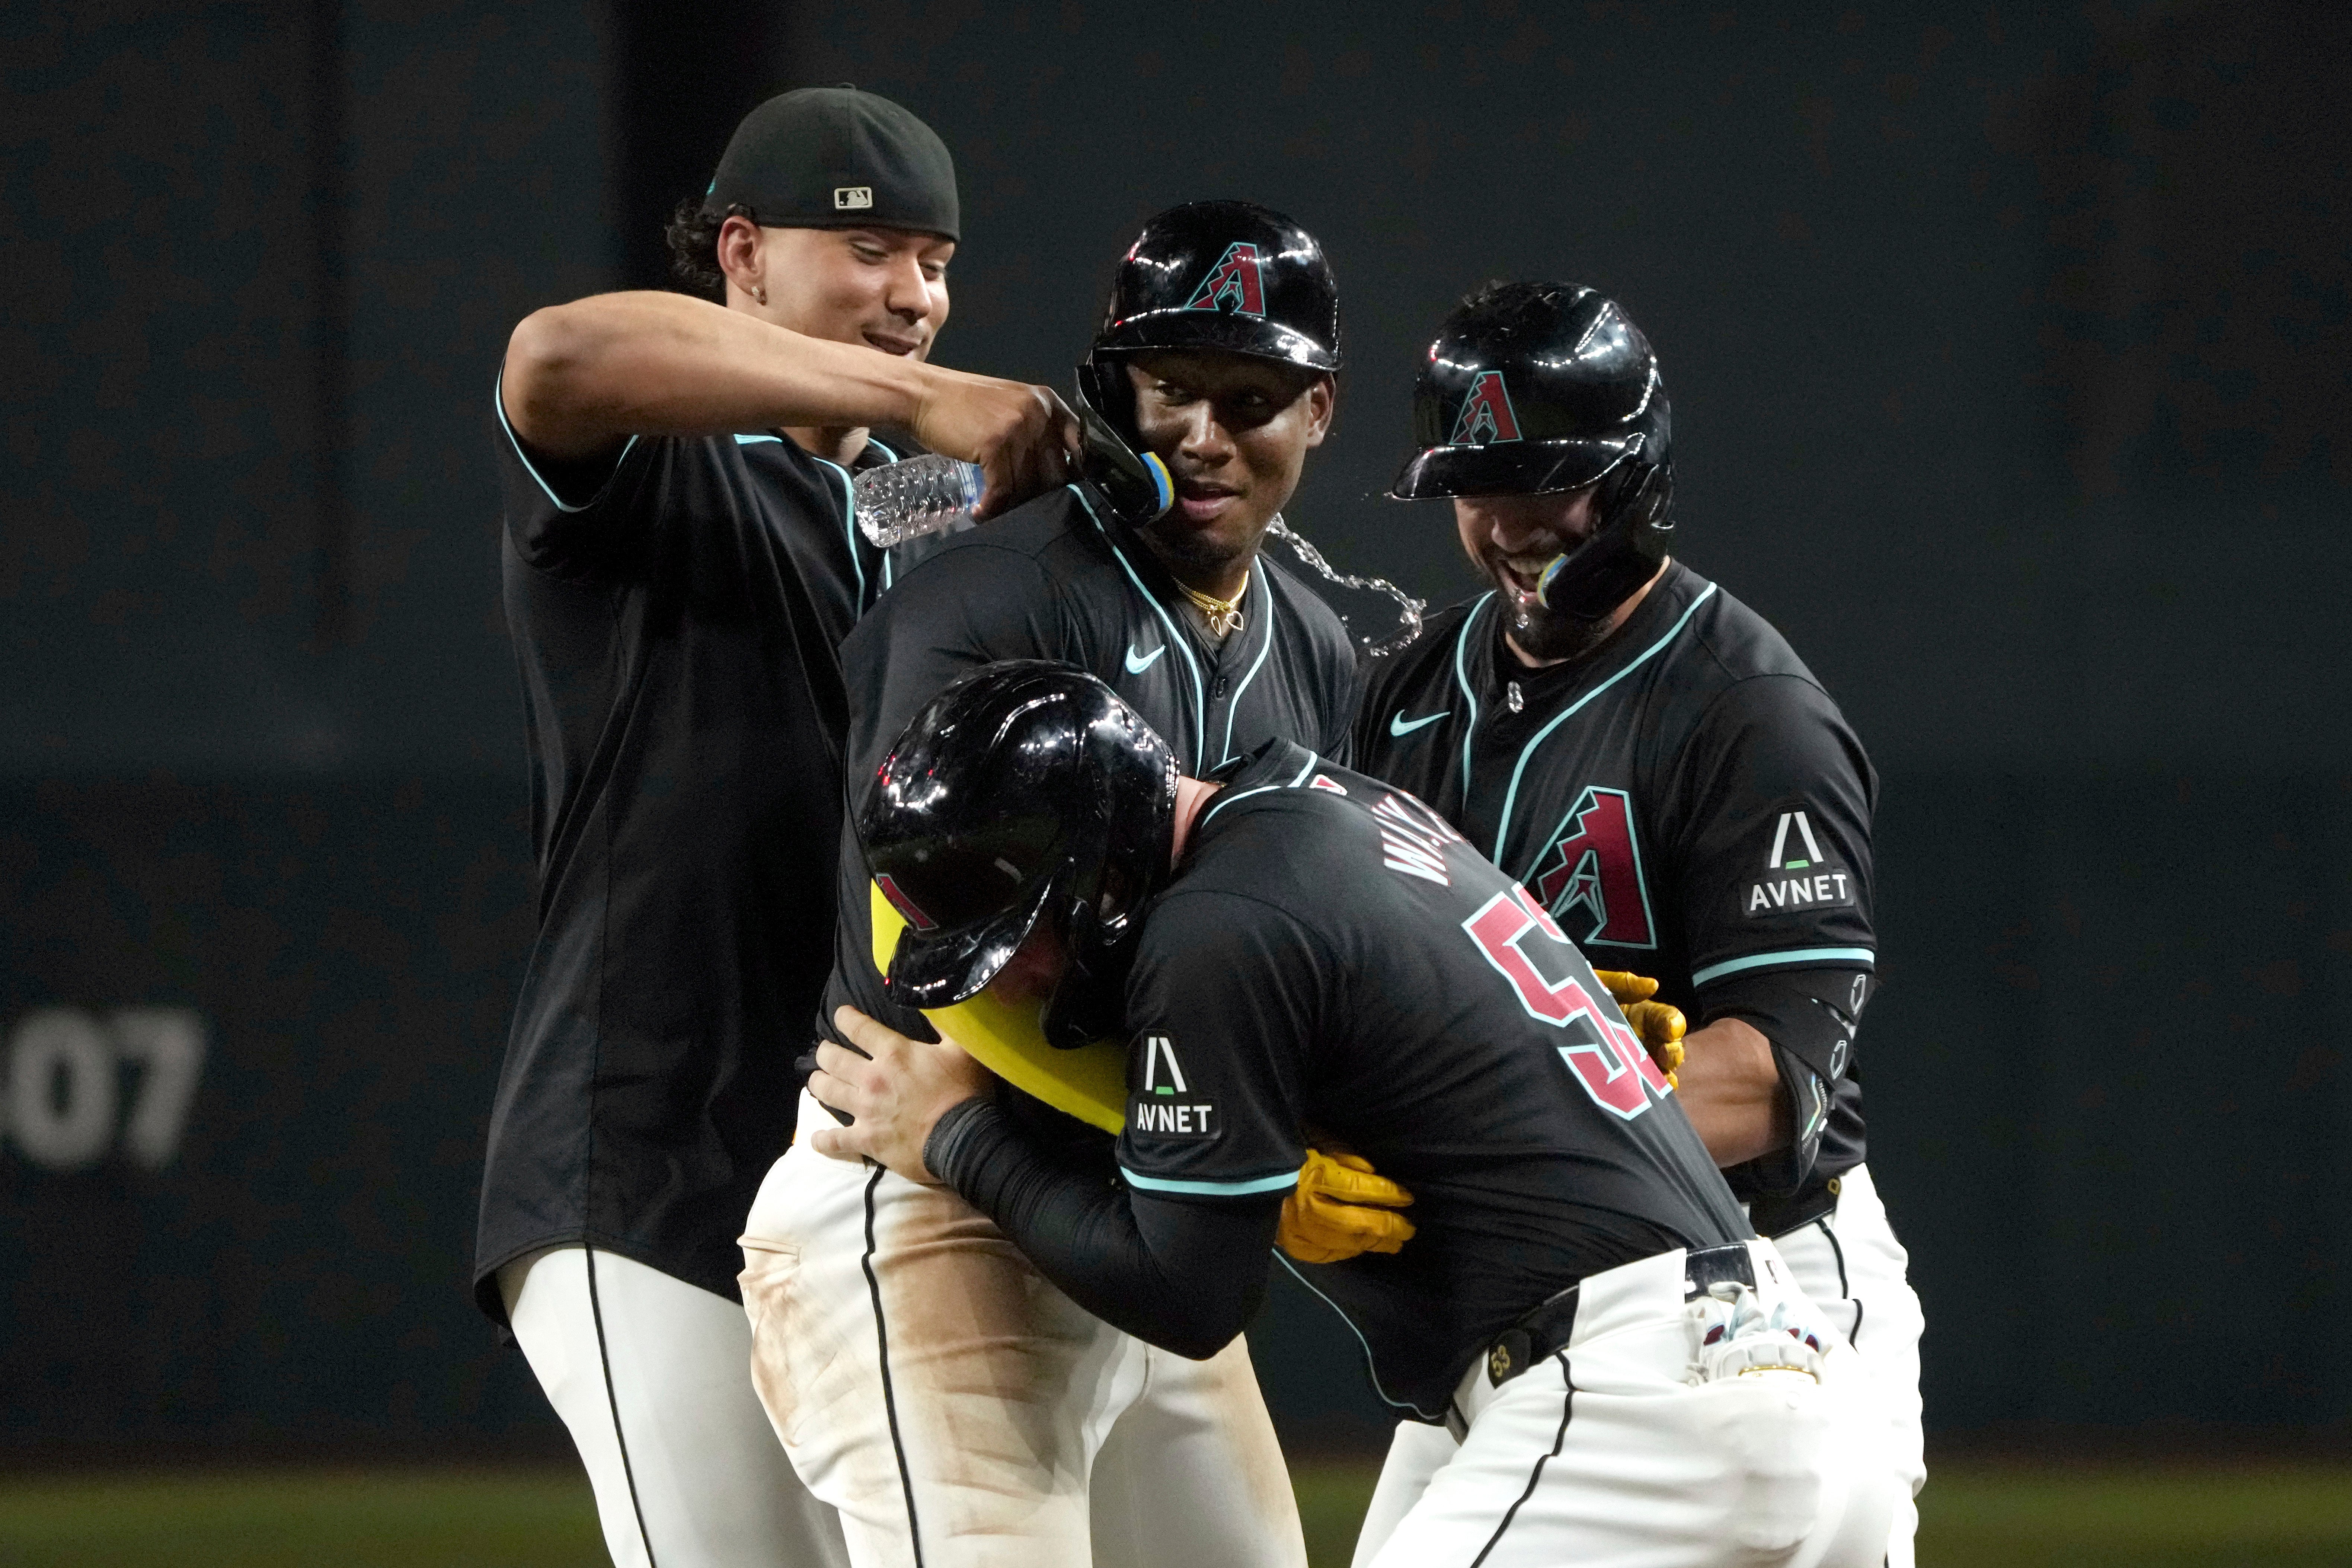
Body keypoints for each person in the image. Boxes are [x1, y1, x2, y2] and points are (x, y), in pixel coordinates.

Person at [809, 661, 1901, 1568]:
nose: (1017, 979)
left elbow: (1189, 1295)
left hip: (1633, 1403)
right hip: (1754, 1367)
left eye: (1027, 933)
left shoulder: (1214, 931)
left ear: (1099, 855)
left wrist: (957, 1138)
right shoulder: (1329, 807)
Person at [475, 86, 1077, 1568]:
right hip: (650, 1165)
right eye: (871, 249)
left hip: (868, 1187)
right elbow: (554, 357)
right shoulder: (659, 464)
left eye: (936, 260)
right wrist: (911, 400)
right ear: (739, 252)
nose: (914, 294)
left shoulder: (932, 519)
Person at [736, 200, 1361, 1568]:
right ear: (1111, 389)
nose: (1201, 433)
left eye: (1249, 398)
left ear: (1320, 409)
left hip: (1128, 1204)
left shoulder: (1315, 648)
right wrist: (1227, 1142)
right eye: (1170, 389)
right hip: (925, 1182)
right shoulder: (987, 599)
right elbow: (943, 953)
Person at [1350, 280, 1926, 1564]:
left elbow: (1770, 1085)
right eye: (1473, 482)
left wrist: (1451, 1145)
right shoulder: (1405, 698)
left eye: (1545, 481)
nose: (1507, 523)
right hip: (1532, 1296)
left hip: (1765, 1282)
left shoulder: (1748, 708)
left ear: (1637, 472)